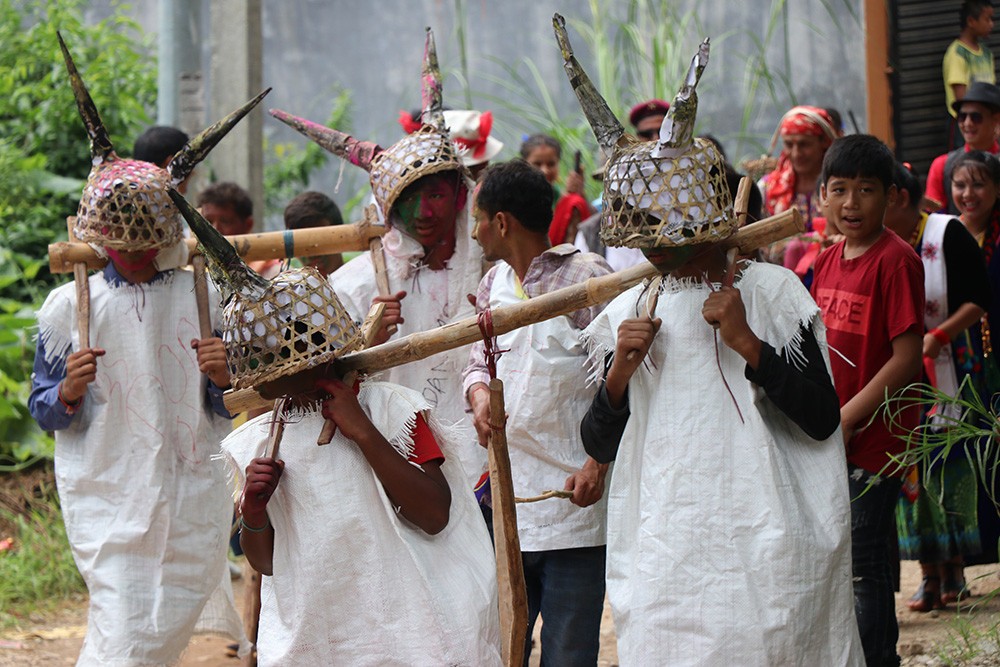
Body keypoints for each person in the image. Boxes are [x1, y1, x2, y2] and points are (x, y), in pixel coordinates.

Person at [552, 27, 863, 664]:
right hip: (669, 547)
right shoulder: (633, 307)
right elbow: (596, 442)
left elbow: (821, 416)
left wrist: (750, 343)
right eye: (644, 237)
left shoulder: (774, 294)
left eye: (664, 236)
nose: (653, 250)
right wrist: (619, 376)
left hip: (766, 541)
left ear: (707, 222)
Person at [169, 192, 501, 666]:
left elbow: (435, 514)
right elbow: (264, 562)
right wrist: (255, 511)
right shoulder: (262, 440)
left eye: (301, 355)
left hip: (413, 637)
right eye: (275, 368)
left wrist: (363, 431)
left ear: (330, 346)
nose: (292, 378)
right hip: (322, 640)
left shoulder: (395, 410)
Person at [27, 36, 261, 664]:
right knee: (125, 625)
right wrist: (68, 390)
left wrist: (224, 372)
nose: (132, 255)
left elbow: (229, 402)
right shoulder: (66, 309)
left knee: (171, 616)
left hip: (190, 490)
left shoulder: (204, 297)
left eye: (144, 242)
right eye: (120, 244)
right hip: (109, 493)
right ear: (99, 237)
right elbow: (43, 407)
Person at [271, 29, 486, 487]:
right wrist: (366, 340)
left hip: (484, 452)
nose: (424, 213)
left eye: (436, 195)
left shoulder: (494, 269)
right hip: (394, 464)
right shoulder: (356, 286)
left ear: (460, 195)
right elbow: (316, 386)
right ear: (388, 210)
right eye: (408, 201)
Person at [464, 159, 612, 665]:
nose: (475, 231)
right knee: (505, 646)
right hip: (507, 498)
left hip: (578, 504)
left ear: (501, 222)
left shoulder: (587, 278)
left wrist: (598, 464)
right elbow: (475, 365)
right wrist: (480, 396)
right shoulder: (492, 285)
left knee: (569, 654)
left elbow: (623, 383)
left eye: (479, 218)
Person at [811, 135, 925, 666]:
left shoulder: (896, 261)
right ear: (823, 197)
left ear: (891, 197)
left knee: (863, 561)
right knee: (854, 558)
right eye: (840, 190)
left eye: (866, 191)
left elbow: (906, 358)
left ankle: (879, 659)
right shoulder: (828, 259)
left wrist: (849, 419)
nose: (852, 203)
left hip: (876, 436)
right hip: (835, 431)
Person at [884, 161, 992, 612]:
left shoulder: (947, 233)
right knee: (914, 473)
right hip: (902, 378)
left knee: (952, 470)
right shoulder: (880, 243)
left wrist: (937, 338)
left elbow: (978, 299)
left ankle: (956, 570)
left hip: (952, 372)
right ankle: (928, 574)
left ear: (900, 198)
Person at [923, 82, 1000, 214]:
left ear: (996, 120)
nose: (967, 123)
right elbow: (934, 216)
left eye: (976, 117)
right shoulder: (942, 165)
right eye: (962, 117)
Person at [520, 133, 592, 247]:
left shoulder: (564, 199)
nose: (544, 170)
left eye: (551, 164)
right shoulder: (516, 199)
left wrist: (579, 194)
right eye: (537, 164)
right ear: (524, 164)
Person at [943, 1, 996, 118]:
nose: (992, 24)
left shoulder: (987, 54)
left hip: (984, 121)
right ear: (971, 21)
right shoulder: (957, 54)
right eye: (987, 19)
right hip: (964, 123)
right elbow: (961, 99)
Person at [283, 190, 345, 275]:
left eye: (319, 240)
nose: (311, 254)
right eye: (301, 243)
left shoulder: (363, 284)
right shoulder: (291, 286)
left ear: (341, 236)